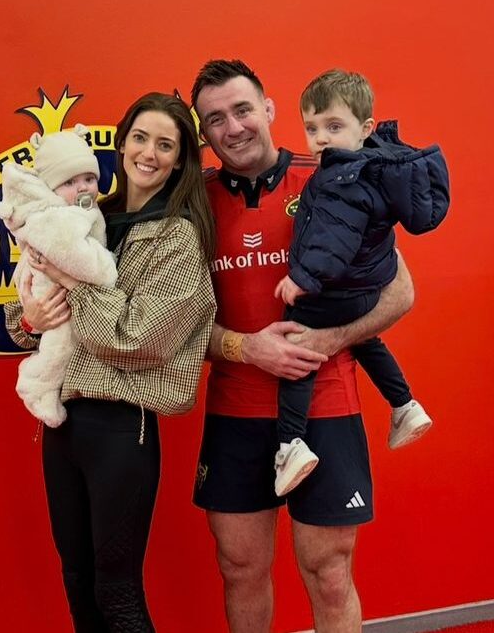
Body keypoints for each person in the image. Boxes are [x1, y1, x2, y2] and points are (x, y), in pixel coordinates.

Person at [190, 59, 414, 633]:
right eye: (215, 119)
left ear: (267, 110)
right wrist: (247, 348)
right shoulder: (194, 202)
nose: (233, 127)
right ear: (204, 133)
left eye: (243, 110)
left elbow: (400, 293)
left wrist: (329, 337)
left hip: (326, 407)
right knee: (240, 568)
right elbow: (176, 324)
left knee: (329, 572)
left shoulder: (333, 177)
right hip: (236, 412)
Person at [4, 92, 217, 632]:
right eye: (140, 138)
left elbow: (137, 339)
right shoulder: (83, 217)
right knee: (76, 578)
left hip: (123, 427)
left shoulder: (178, 236)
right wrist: (30, 315)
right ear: (121, 145)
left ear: (179, 160)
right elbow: (22, 314)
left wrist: (73, 280)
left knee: (115, 587)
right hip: (63, 422)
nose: (149, 153)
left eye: (165, 144)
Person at [272, 69, 450, 496]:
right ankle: (404, 404)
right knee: (368, 341)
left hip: (335, 290)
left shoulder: (341, 177)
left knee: (298, 346)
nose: (320, 139)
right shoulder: (374, 170)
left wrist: (302, 278)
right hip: (366, 290)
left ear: (366, 128)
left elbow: (335, 237)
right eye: (312, 128)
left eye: (334, 127)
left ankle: (289, 444)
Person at [0, 124, 117, 427]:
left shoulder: (81, 213)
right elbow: (82, 261)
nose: (82, 188)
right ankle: (38, 386)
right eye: (69, 182)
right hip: (55, 299)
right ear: (50, 190)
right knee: (60, 344)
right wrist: (107, 268)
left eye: (89, 178)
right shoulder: (57, 219)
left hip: (67, 304)